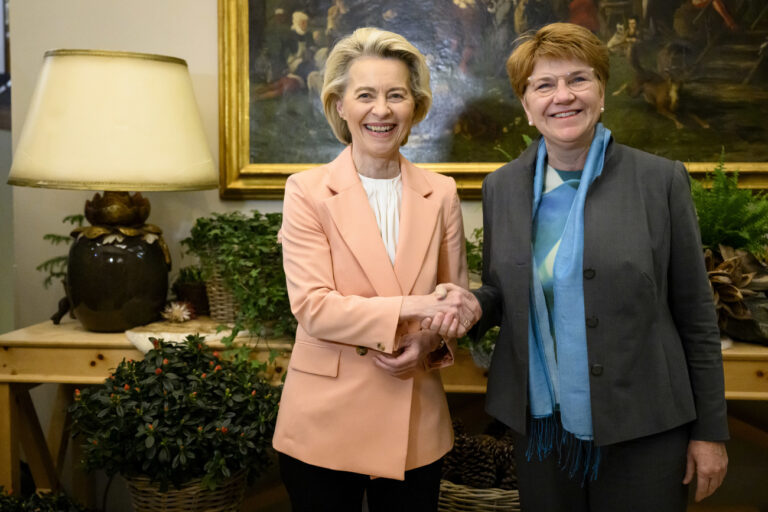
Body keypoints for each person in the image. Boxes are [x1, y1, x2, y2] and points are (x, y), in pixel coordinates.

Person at [467, 22, 729, 511]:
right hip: (541, 428)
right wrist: (470, 303)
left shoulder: (659, 181)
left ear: (602, 93)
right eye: (543, 85)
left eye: (578, 79)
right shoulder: (500, 187)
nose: (562, 96)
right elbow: (506, 292)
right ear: (526, 106)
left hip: (646, 425)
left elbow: (696, 316)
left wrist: (710, 432)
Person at [273, 27, 481, 512]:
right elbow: (313, 308)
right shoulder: (305, 191)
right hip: (324, 422)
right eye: (365, 95)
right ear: (340, 105)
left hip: (414, 422)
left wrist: (429, 341)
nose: (381, 110)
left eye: (396, 95)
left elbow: (454, 301)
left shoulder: (442, 192)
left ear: (416, 107)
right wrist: (416, 307)